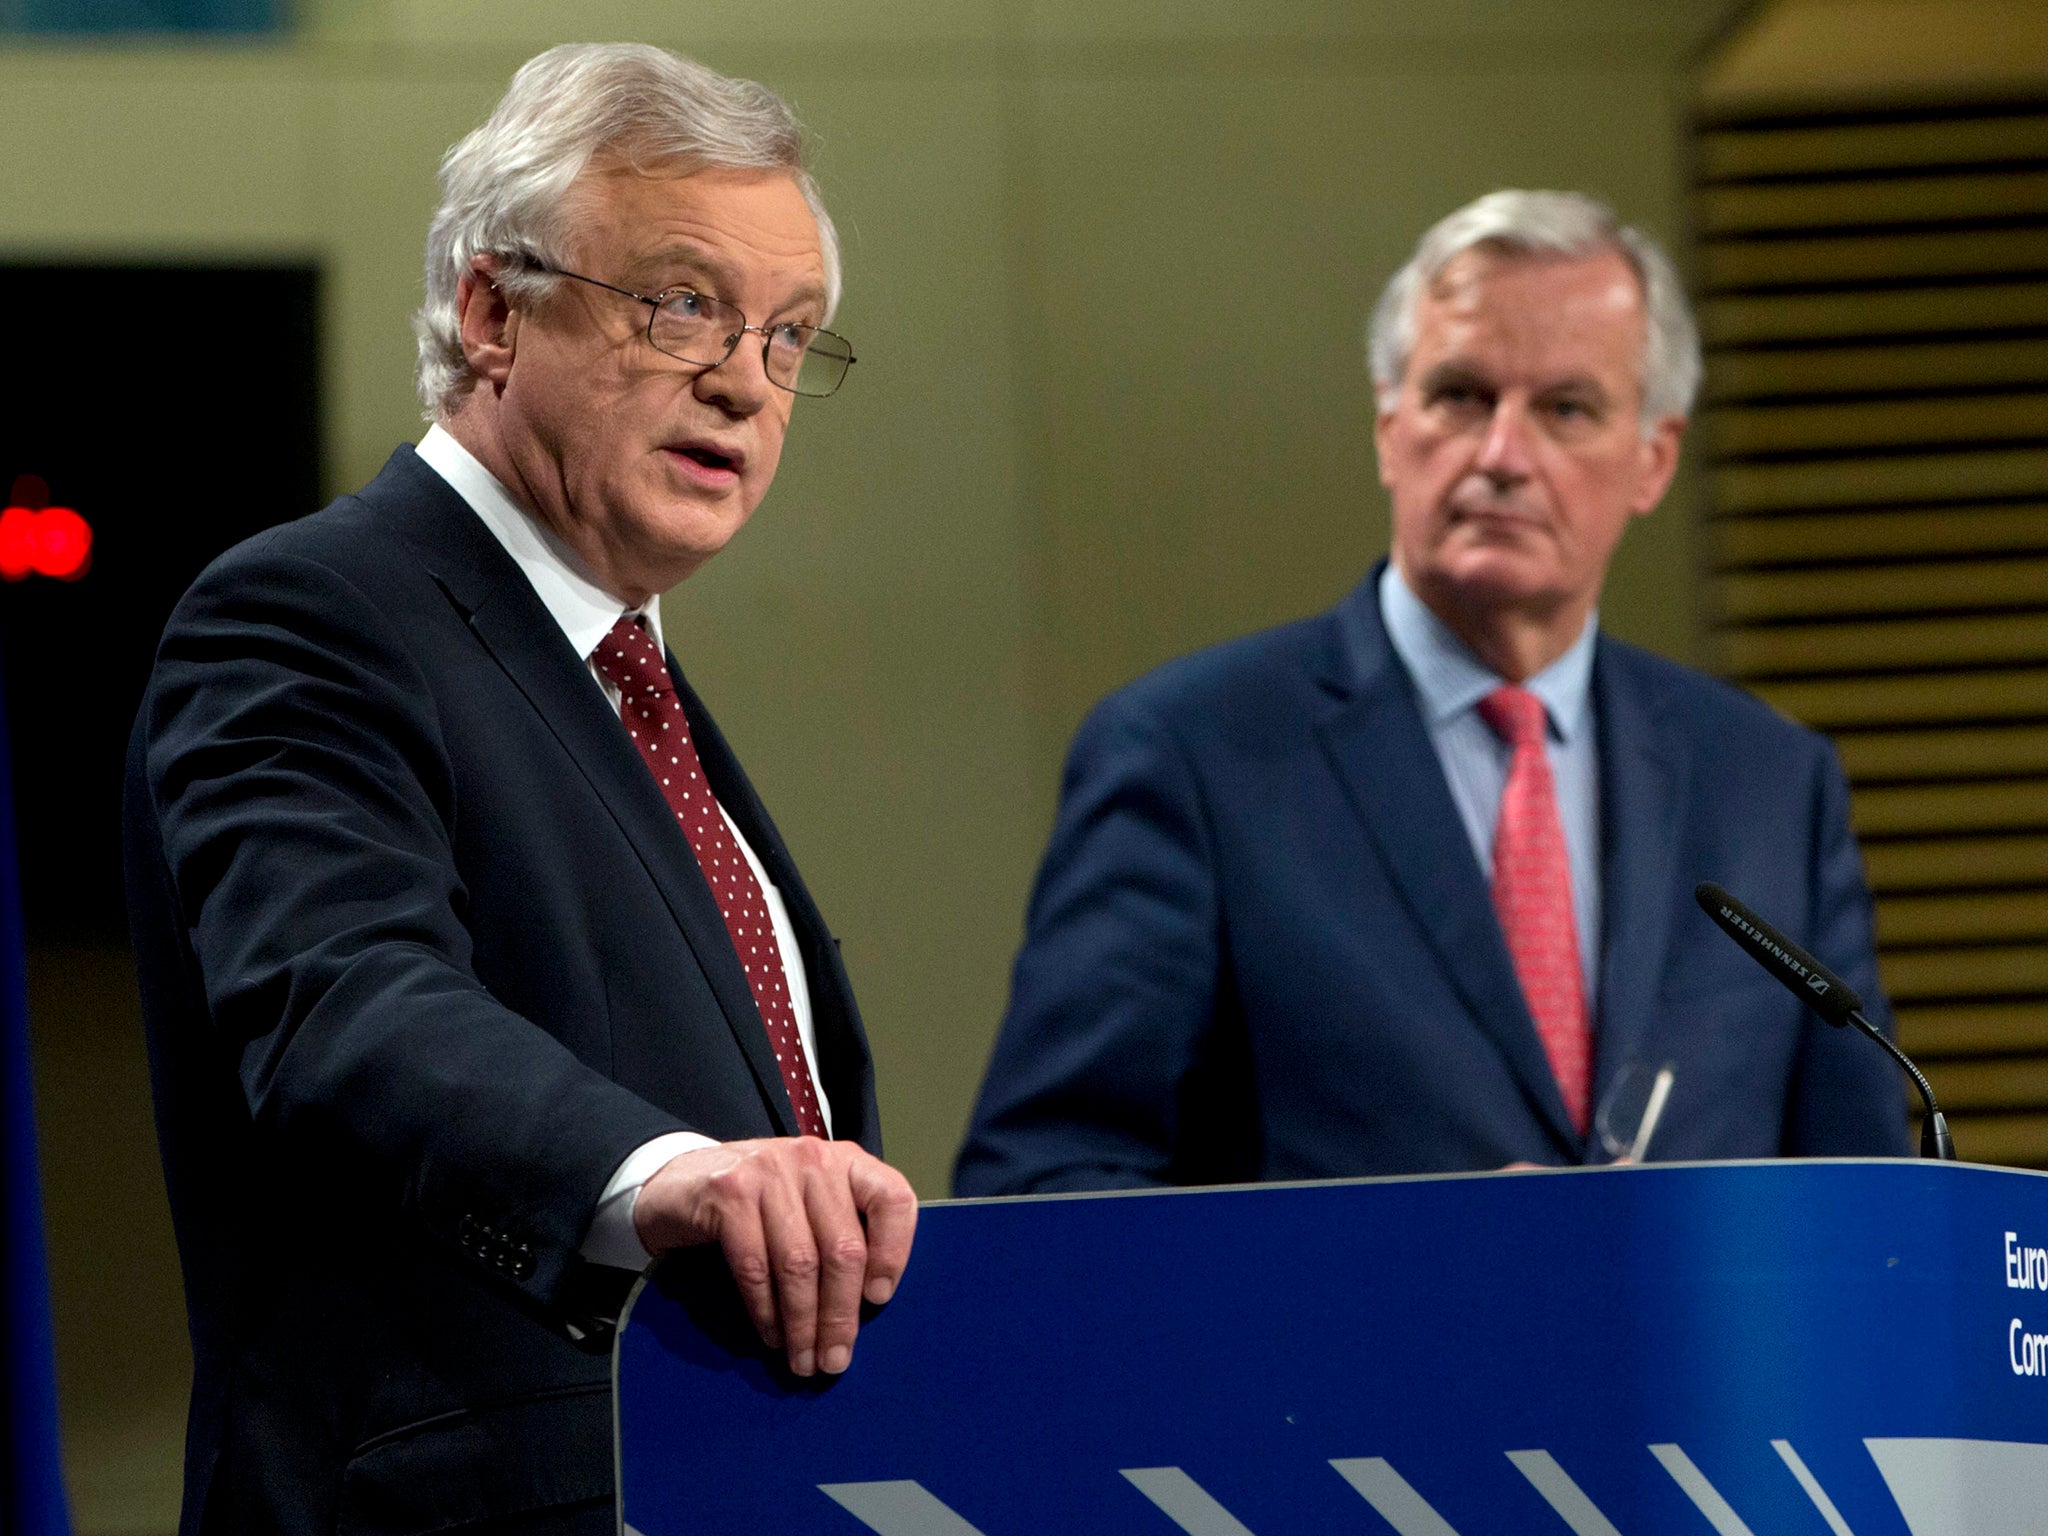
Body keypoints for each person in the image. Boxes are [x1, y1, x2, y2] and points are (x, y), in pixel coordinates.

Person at [124, 44, 916, 1536]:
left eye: (790, 333)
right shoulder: (312, 611)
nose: (746, 382)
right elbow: (340, 1001)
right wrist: (667, 1171)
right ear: (493, 310)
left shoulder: (628, 685)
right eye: (683, 303)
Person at [955, 189, 1908, 1196]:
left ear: (1651, 461)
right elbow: (1043, 1181)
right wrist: (1400, 1260)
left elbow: (1870, 1211)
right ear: (1386, 426)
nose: (1500, 455)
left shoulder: (1765, 781)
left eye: (1566, 409)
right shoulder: (1189, 754)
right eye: (1459, 396)